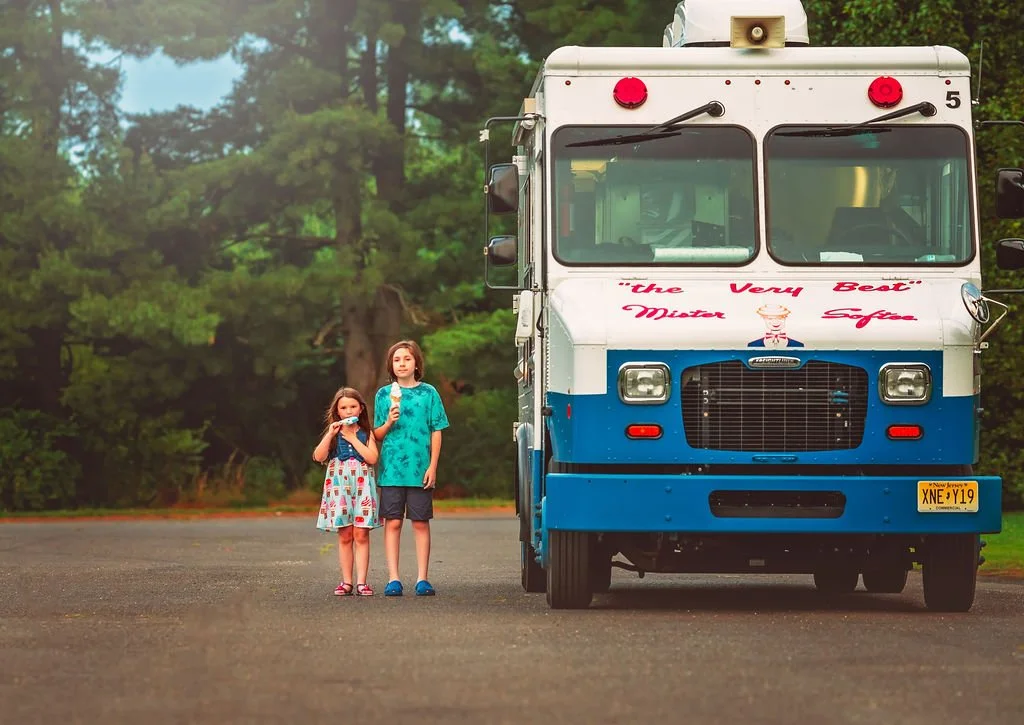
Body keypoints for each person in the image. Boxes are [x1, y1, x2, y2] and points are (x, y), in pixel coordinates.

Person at [373, 340, 450, 597]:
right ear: (391, 366)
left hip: (420, 468)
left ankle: (422, 578)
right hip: (392, 469)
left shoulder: (428, 393)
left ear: (416, 363)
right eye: (397, 360)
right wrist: (389, 420)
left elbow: (436, 430)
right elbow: (377, 434)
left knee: (420, 522)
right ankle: (393, 578)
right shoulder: (384, 395)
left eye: (407, 358)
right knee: (392, 522)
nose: (402, 363)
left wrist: (433, 466)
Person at [312, 387, 380, 597]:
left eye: (353, 406)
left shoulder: (366, 433)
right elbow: (318, 456)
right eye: (344, 408)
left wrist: (352, 438)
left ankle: (362, 582)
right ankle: (346, 581)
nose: (349, 411)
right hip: (339, 487)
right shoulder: (333, 433)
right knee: (345, 535)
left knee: (361, 534)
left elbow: (372, 458)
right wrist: (330, 435)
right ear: (337, 411)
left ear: (360, 409)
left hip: (362, 488)